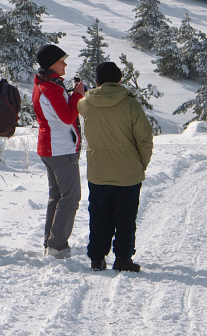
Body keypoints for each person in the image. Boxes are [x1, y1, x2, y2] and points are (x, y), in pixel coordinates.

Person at [78, 61, 153, 272]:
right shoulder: (131, 104)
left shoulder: (85, 103)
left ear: (98, 82)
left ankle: (97, 257)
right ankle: (122, 258)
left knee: (99, 215)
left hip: (98, 171)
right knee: (125, 218)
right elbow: (145, 139)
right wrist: (141, 164)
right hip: (128, 173)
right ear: (120, 80)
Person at [32, 44, 84, 259]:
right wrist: (78, 95)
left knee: (57, 195)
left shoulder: (43, 84)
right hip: (60, 148)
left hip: (50, 146)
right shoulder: (51, 87)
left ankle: (51, 241)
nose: (65, 64)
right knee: (71, 196)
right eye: (62, 60)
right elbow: (67, 117)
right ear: (52, 63)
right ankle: (57, 246)